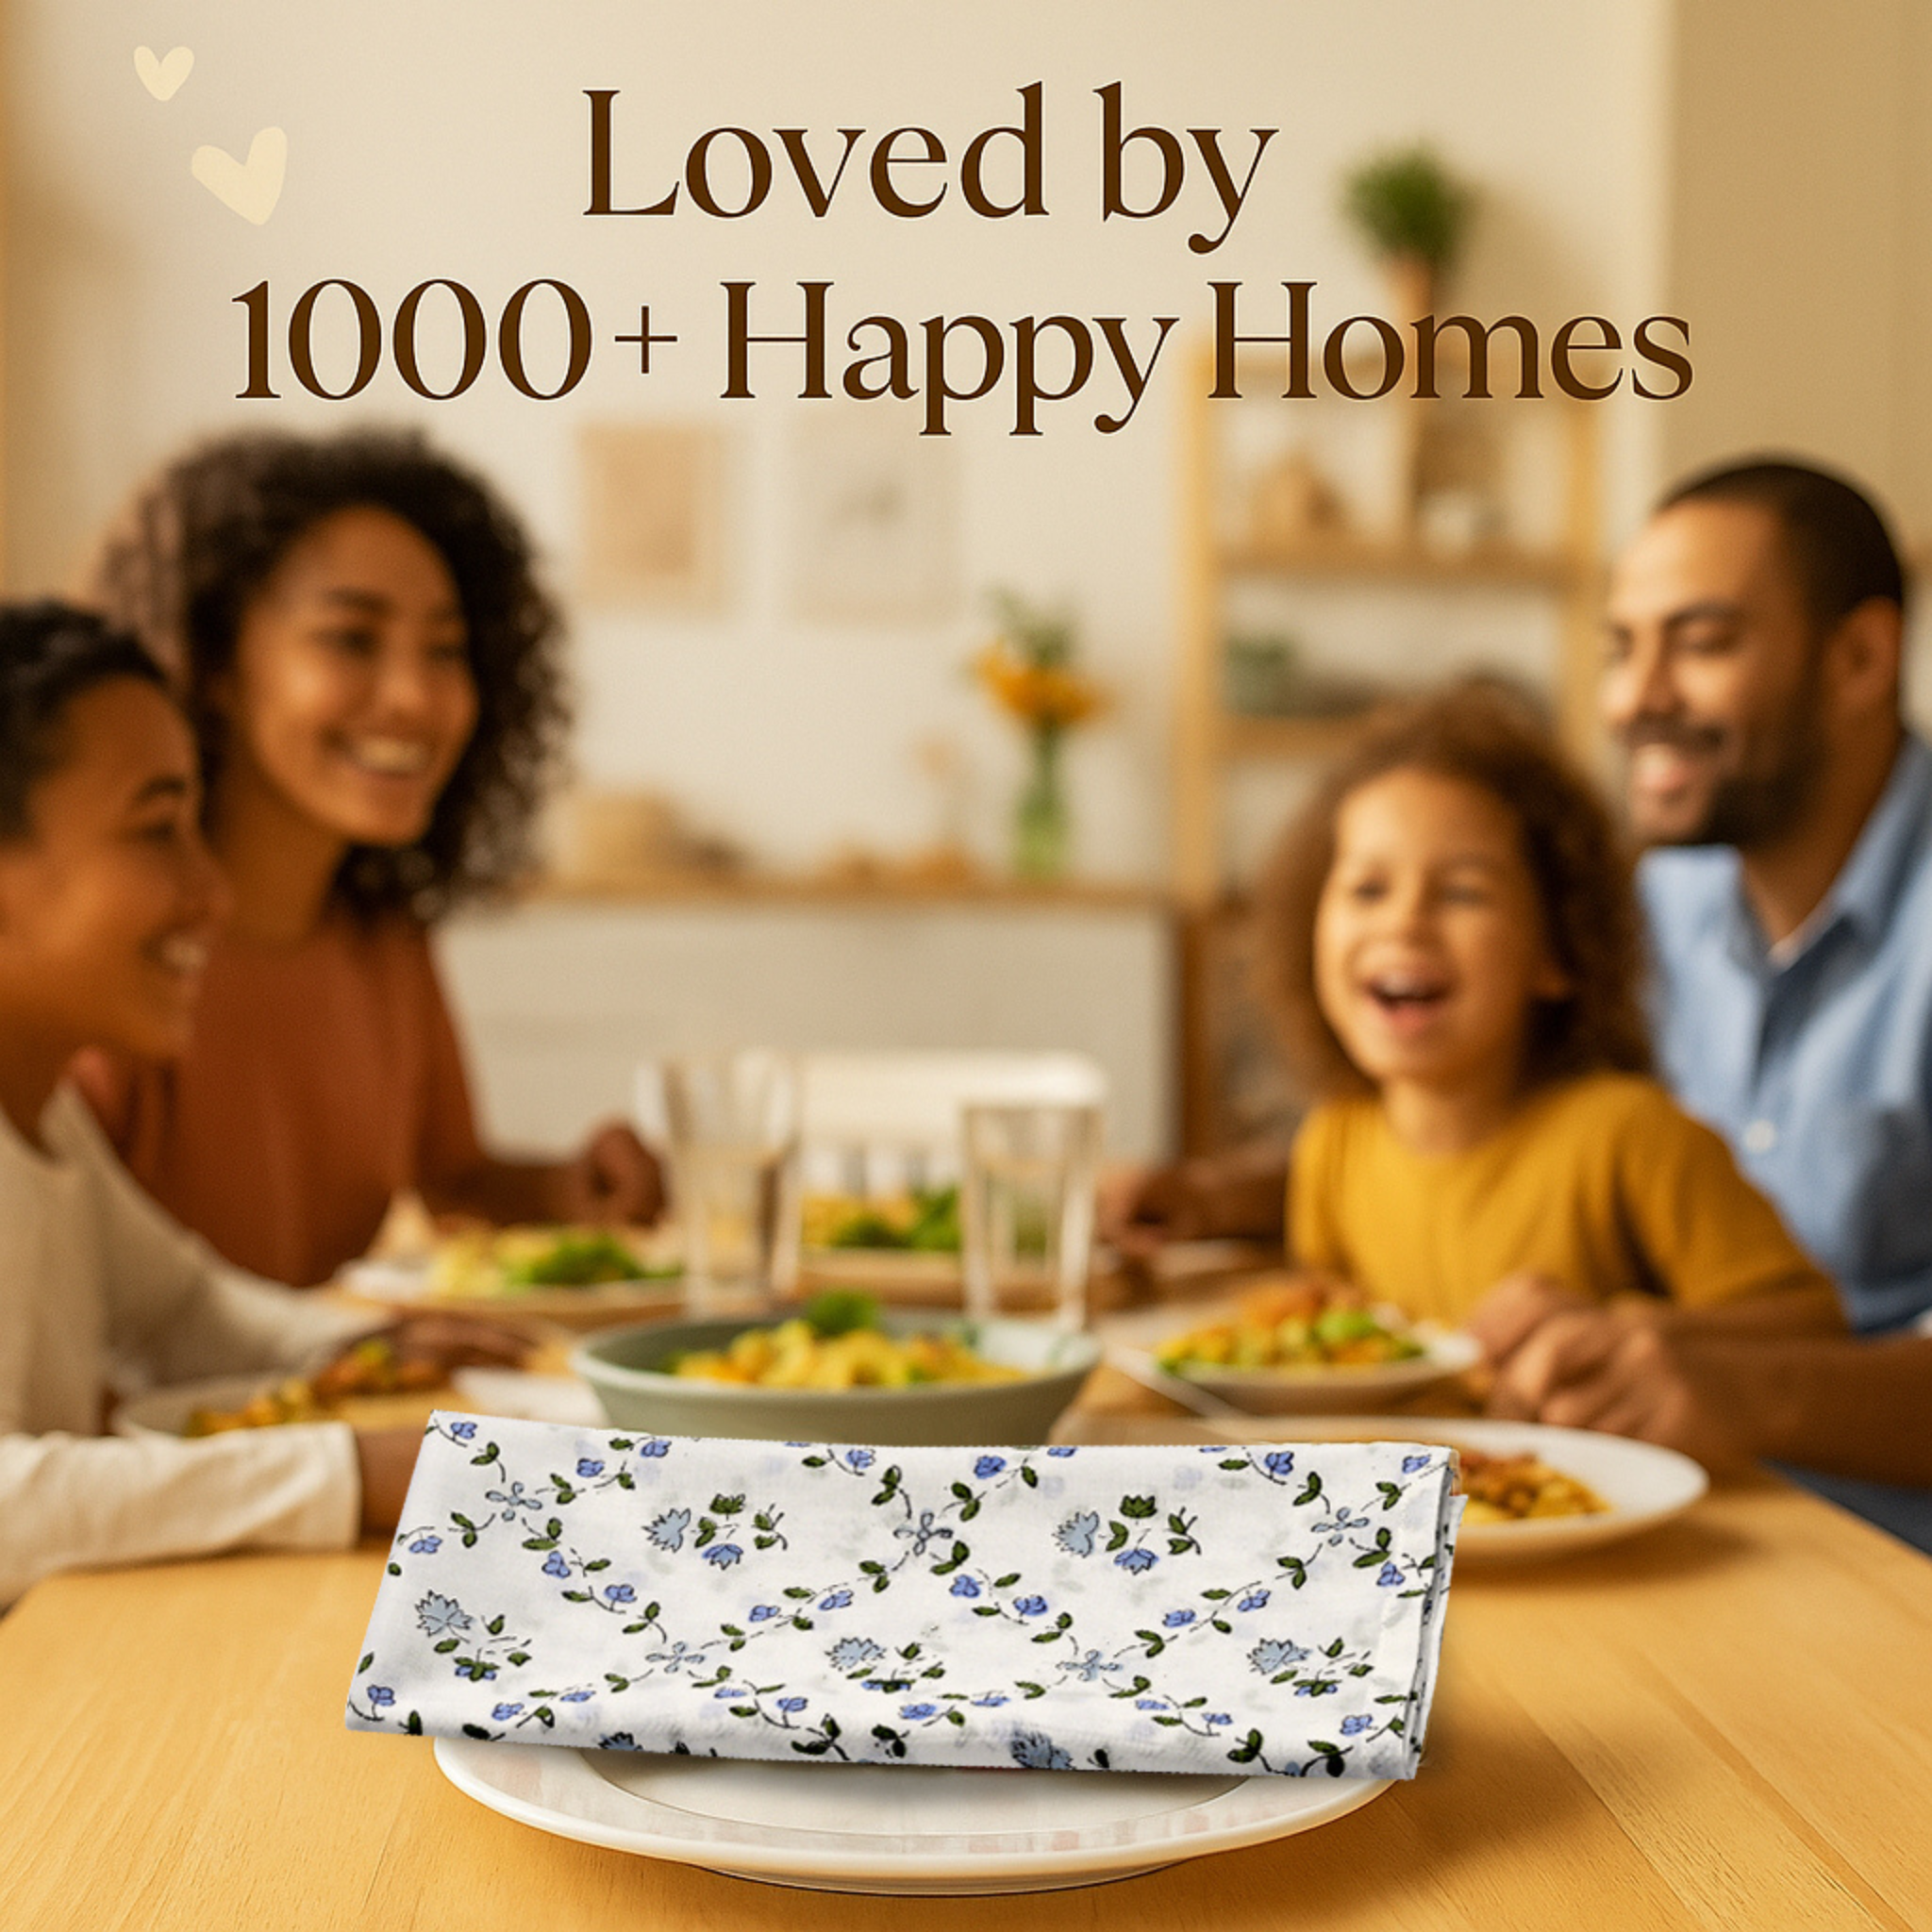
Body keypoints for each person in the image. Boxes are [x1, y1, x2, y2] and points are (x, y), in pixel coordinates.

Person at [74, 429, 664, 1286]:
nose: (416, 696)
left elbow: (453, 1182)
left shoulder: (383, 938)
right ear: (213, 665)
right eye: (351, 639)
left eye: (446, 650)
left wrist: (571, 1186)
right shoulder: (112, 949)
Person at [0, 602, 501, 1607]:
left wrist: (354, 1347)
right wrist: (346, 1473)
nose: (212, 891)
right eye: (157, 831)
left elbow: (176, 1307)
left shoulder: (41, 1108)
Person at [1242, 681, 1842, 1329]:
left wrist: (1630, 1334)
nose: (1404, 922)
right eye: (1368, 889)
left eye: (1463, 893)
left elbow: (1811, 1328)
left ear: (1557, 950)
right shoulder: (1333, 1144)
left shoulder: (1632, 1139)